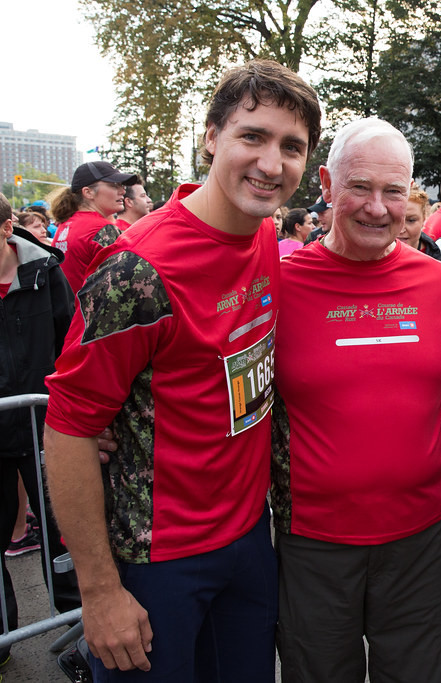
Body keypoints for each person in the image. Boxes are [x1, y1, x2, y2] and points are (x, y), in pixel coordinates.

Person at [43, 59, 322, 681]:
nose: (271, 163)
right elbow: (68, 427)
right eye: (253, 136)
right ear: (212, 136)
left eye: (291, 146)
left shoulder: (263, 235)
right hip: (158, 560)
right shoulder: (136, 271)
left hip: (248, 542)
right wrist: (99, 592)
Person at [272, 117, 441, 683]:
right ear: (327, 185)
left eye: (393, 191)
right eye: (359, 187)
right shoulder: (278, 280)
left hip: (421, 539)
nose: (377, 208)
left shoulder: (438, 282)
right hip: (314, 542)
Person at [0, 192, 79, 666]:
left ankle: (79, 630)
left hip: (44, 426)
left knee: (62, 528)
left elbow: (71, 340)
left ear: (6, 229)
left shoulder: (45, 271)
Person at [50, 161, 139, 293]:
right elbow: (125, 281)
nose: (123, 191)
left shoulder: (66, 223)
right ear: (88, 192)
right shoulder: (102, 229)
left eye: (122, 185)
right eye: (114, 185)